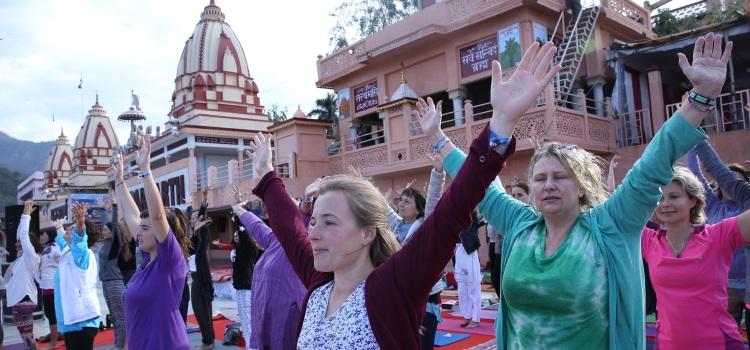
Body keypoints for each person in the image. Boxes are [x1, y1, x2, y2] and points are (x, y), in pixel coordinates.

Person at [243, 40, 559, 348]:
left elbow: (452, 209)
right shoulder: (319, 282)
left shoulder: (392, 286)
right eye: (314, 222)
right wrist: (267, 174)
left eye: (329, 222)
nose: (312, 233)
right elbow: (288, 226)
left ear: (367, 232)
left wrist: (501, 122)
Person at [431, 34, 732, 349]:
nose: (548, 184)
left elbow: (652, 165)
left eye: (560, 177)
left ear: (581, 185)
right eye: (541, 178)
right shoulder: (519, 224)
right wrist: (458, 133)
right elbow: (477, 180)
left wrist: (701, 98)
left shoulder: (611, 224)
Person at [642, 166, 750, 349]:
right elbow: (611, 211)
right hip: (668, 344)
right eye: (660, 198)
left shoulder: (718, 236)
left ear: (693, 200)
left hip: (719, 344)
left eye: (674, 196)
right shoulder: (647, 241)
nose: (665, 203)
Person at [114, 135, 192, 350]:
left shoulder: (170, 261)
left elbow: (157, 217)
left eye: (145, 229)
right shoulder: (147, 261)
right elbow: (133, 217)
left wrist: (146, 171)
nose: (138, 233)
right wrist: (119, 181)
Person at [691, 140, 750, 335]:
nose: (731, 182)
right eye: (729, 179)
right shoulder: (714, 205)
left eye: (737, 179)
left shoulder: (745, 202)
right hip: (725, 285)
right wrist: (693, 138)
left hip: (747, 286)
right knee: (725, 336)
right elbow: (701, 172)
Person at [233, 200, 307, 350]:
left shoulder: (302, 241)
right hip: (266, 319)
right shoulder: (276, 240)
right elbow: (256, 226)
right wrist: (238, 209)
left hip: (289, 321)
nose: (275, 216)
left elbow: (303, 217)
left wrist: (305, 203)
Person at [53, 202, 101, 350]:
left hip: (82, 320)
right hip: (72, 320)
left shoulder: (82, 253)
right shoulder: (69, 251)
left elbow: (79, 239)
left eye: (71, 228)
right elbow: (62, 240)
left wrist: (80, 223)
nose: (68, 229)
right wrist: (58, 227)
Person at [5, 200, 42, 349]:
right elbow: (20, 235)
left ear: (28, 245)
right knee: (28, 340)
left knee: (28, 341)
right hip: (20, 302)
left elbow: (23, 235)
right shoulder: (21, 259)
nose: (16, 244)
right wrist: (23, 216)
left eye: (19, 243)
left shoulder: (31, 256)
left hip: (24, 302)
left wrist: (26, 216)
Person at [99, 198, 128, 350]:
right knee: (113, 314)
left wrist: (115, 207)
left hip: (115, 283)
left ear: (112, 232)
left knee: (119, 316)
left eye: (105, 230)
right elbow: (108, 224)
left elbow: (114, 224)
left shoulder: (115, 243)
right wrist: (104, 210)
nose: (103, 232)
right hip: (105, 283)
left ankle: (121, 345)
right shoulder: (105, 244)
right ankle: (118, 342)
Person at [188, 192, 215, 350]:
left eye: (194, 218)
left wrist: (204, 203)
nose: (191, 221)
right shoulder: (194, 236)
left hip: (202, 279)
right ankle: (209, 340)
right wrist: (190, 206)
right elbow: (194, 222)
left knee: (202, 311)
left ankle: (208, 341)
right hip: (195, 278)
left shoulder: (203, 232)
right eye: (191, 219)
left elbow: (201, 218)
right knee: (201, 311)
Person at [455, 210, 484, 329]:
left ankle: (476, 318)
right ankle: (467, 316)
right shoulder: (453, 210)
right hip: (459, 250)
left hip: (469, 251)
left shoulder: (471, 211)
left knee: (473, 285)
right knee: (462, 287)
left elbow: (478, 227)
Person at [36, 227, 62, 349]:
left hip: (52, 286)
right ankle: (55, 336)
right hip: (45, 286)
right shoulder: (43, 250)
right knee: (50, 313)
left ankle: (54, 341)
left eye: (44, 234)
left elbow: (60, 258)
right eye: (40, 234)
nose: (41, 236)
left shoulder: (54, 248)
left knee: (51, 313)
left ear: (50, 235)